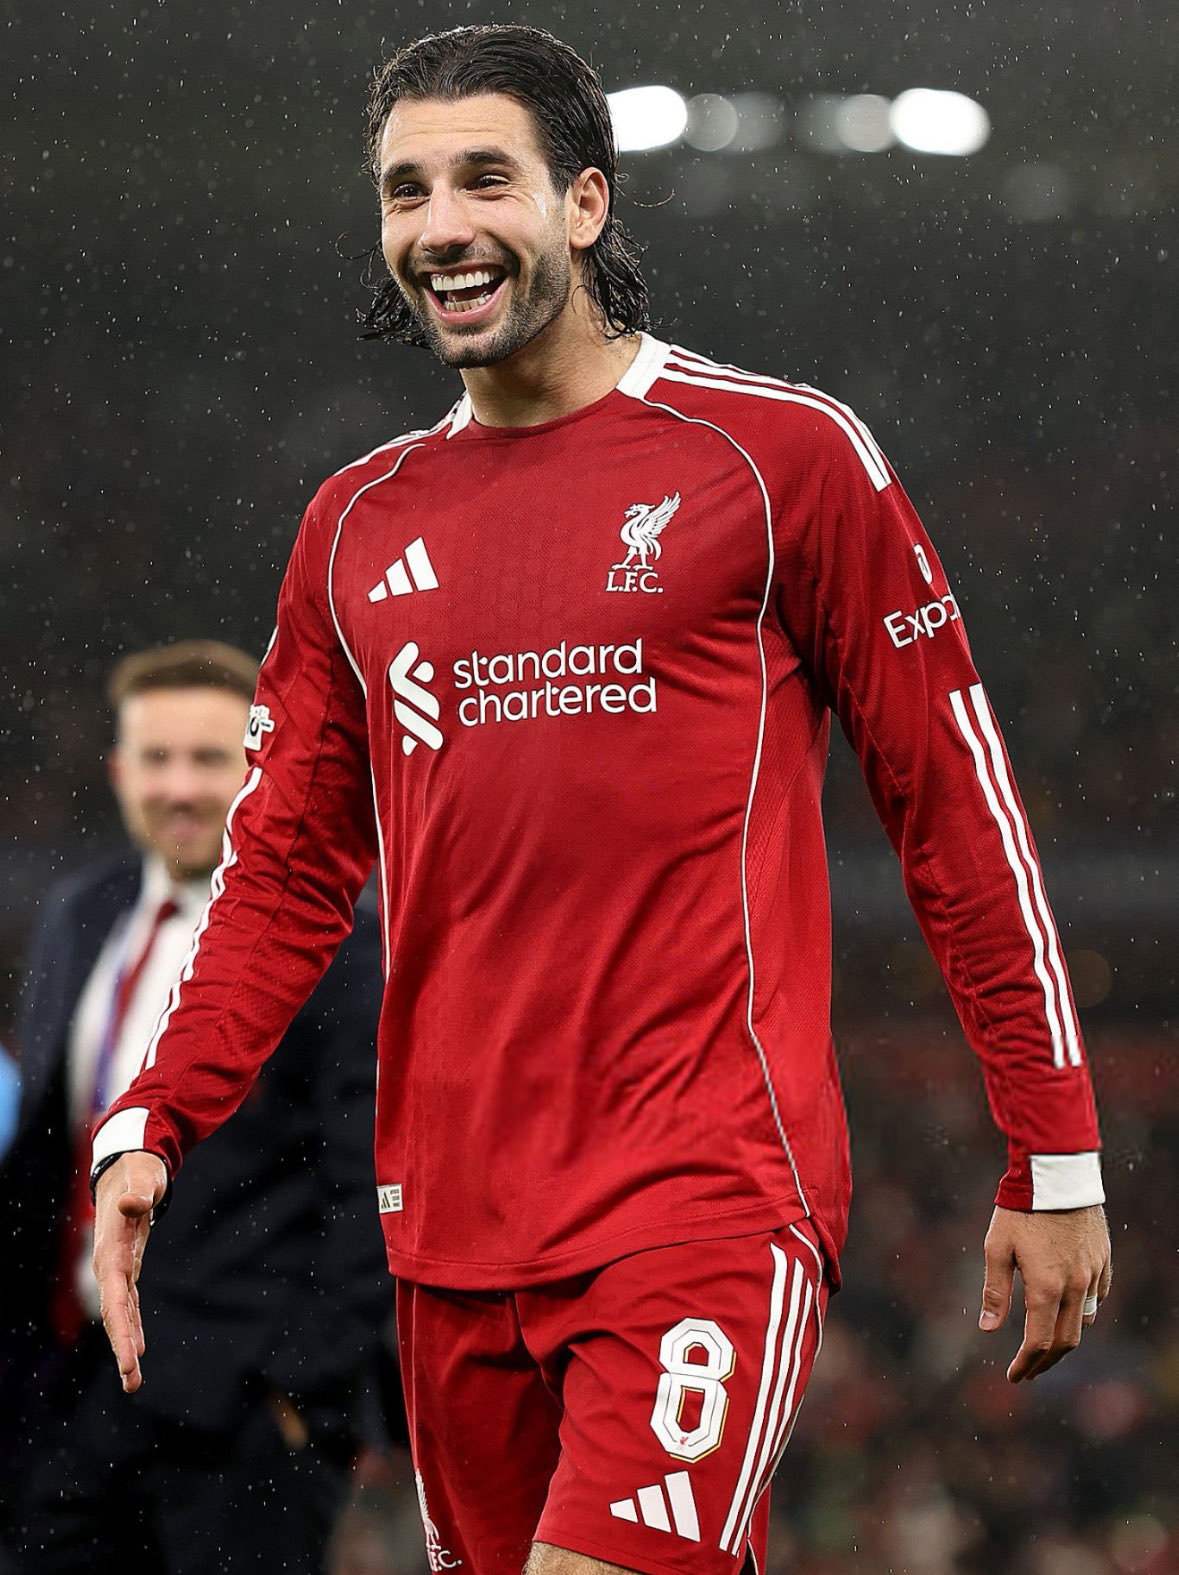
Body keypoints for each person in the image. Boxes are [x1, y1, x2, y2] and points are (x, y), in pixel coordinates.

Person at [88, 27, 1111, 1575]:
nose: (440, 225)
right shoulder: (353, 524)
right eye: (406, 190)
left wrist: (1053, 1147)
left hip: (701, 1189)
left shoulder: (776, 459)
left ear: (581, 201)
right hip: (447, 1227)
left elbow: (954, 813)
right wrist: (156, 1111)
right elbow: (284, 873)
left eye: (482, 179)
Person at [0, 641, 390, 1574]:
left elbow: (371, 1181)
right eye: (157, 757)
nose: (179, 786)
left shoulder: (340, 944)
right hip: (67, 1400)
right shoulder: (79, 912)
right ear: (119, 769)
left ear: (262, 770)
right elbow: (42, 1154)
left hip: (241, 1421)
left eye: (210, 758)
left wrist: (300, 1395)